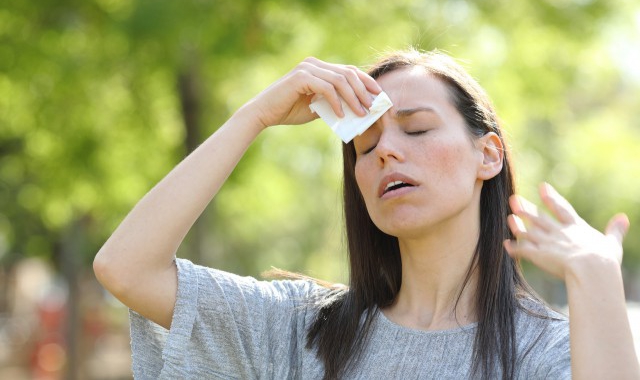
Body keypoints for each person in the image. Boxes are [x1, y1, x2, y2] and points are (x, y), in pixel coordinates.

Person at [93, 49, 639, 379]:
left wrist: (596, 277)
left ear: (487, 154)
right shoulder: (303, 328)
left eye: (417, 128)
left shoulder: (548, 350)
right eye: (365, 143)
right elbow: (126, 268)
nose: (386, 151)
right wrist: (256, 116)